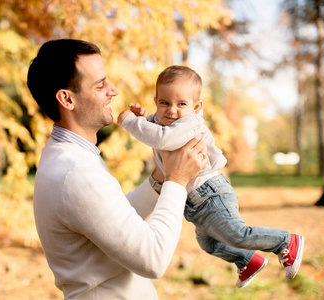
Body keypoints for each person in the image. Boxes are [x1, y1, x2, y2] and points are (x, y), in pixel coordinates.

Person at [27, 39, 209, 299]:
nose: (112, 90)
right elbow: (153, 259)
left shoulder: (68, 154)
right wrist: (177, 181)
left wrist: (160, 178)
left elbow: (110, 220)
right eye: (100, 85)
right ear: (67, 99)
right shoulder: (74, 171)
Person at [117, 65, 305, 288]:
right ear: (156, 100)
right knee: (209, 244)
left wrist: (130, 122)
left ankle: (286, 242)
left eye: (181, 104)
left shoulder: (189, 123)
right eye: (164, 103)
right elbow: (155, 131)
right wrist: (144, 120)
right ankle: (248, 260)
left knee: (237, 234)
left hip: (211, 193)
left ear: (196, 107)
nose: (172, 110)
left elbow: (162, 139)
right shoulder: (164, 122)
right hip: (194, 202)